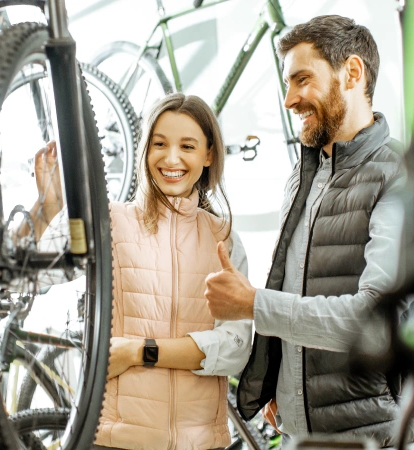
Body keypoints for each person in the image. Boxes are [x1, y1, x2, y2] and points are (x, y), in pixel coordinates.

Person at [203, 15, 414, 448]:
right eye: (287, 84)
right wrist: (283, 382)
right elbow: (301, 283)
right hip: (303, 433)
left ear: (352, 73)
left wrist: (252, 304)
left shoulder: (398, 175)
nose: (289, 99)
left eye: (302, 79)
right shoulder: (304, 173)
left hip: (376, 435)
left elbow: (375, 319)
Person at [27, 93, 252, 449]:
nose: (172, 158)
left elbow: (235, 348)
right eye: (159, 144)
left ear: (209, 155)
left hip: (203, 443)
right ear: (145, 151)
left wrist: (140, 351)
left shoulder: (224, 238)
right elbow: (34, 275)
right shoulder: (110, 221)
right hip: (115, 440)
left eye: (188, 146)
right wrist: (47, 208)